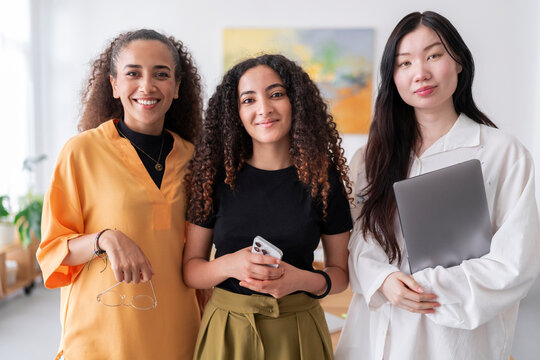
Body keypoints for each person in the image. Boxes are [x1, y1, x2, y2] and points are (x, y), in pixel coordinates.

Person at [335, 11, 540, 360]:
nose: (421, 73)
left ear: (458, 61)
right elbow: (357, 239)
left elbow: (514, 263)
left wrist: (421, 288)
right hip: (375, 335)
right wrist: (383, 281)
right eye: (405, 63)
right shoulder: (371, 157)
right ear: (393, 76)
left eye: (434, 55)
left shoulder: (502, 153)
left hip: (454, 341)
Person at [37, 29, 203, 359]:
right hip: (102, 337)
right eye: (133, 73)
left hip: (178, 335)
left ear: (177, 87)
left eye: (161, 74)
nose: (147, 86)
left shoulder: (194, 159)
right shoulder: (80, 152)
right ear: (113, 84)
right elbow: (53, 251)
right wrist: (104, 239)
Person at [183, 54, 352, 360]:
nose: (264, 109)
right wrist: (230, 265)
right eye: (248, 100)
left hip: (299, 331)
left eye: (276, 94)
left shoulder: (323, 178)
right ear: (235, 112)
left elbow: (340, 275)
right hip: (227, 331)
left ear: (296, 102)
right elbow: (191, 271)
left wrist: (300, 279)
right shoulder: (213, 177)